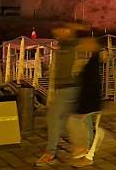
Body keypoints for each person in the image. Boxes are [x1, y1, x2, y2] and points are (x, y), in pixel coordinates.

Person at [34, 22, 85, 167]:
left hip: (70, 88)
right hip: (65, 88)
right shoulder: (64, 46)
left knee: (56, 117)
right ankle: (80, 150)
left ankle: (52, 153)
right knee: (68, 119)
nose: (57, 34)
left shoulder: (73, 45)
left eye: (60, 31)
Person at [68, 37, 105, 167]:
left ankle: (88, 156)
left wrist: (86, 108)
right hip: (88, 101)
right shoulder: (91, 61)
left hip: (91, 102)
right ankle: (85, 153)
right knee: (81, 125)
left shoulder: (93, 62)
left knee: (83, 126)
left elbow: (92, 85)